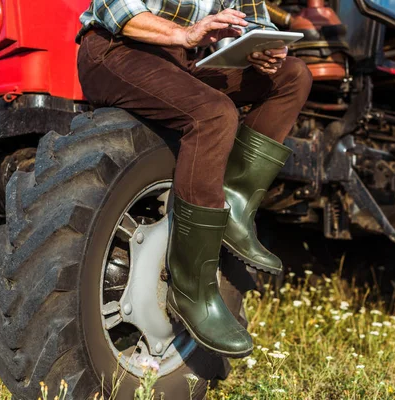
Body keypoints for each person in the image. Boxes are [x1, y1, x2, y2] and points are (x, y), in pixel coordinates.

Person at [76, 0, 312, 358]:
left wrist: (262, 47)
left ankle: (233, 204)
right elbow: (115, 10)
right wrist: (184, 33)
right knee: (214, 115)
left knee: (292, 75)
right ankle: (191, 288)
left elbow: (254, 17)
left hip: (183, 60)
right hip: (118, 48)